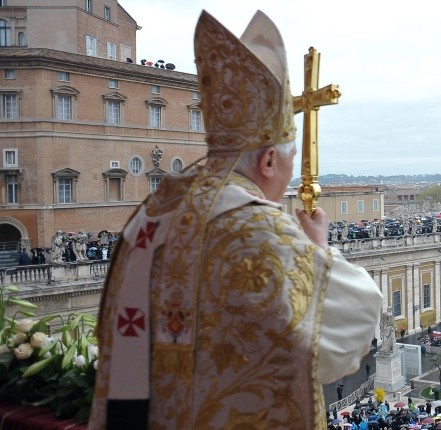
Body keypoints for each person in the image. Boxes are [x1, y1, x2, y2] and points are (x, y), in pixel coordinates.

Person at [88, 10, 383, 429]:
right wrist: (318, 249)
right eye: (288, 162)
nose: (287, 175)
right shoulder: (259, 231)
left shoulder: (152, 213)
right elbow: (346, 335)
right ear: (267, 160)